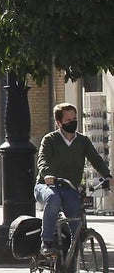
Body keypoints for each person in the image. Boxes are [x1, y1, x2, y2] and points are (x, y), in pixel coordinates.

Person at [35, 103, 112, 257]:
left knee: (76, 215)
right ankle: (47, 242)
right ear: (59, 123)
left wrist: (107, 176)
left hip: (69, 187)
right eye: (68, 119)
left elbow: (96, 160)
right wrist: (48, 175)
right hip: (47, 185)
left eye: (74, 118)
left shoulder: (82, 141)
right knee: (53, 198)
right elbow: (42, 160)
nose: (72, 122)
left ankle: (73, 259)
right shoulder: (50, 139)